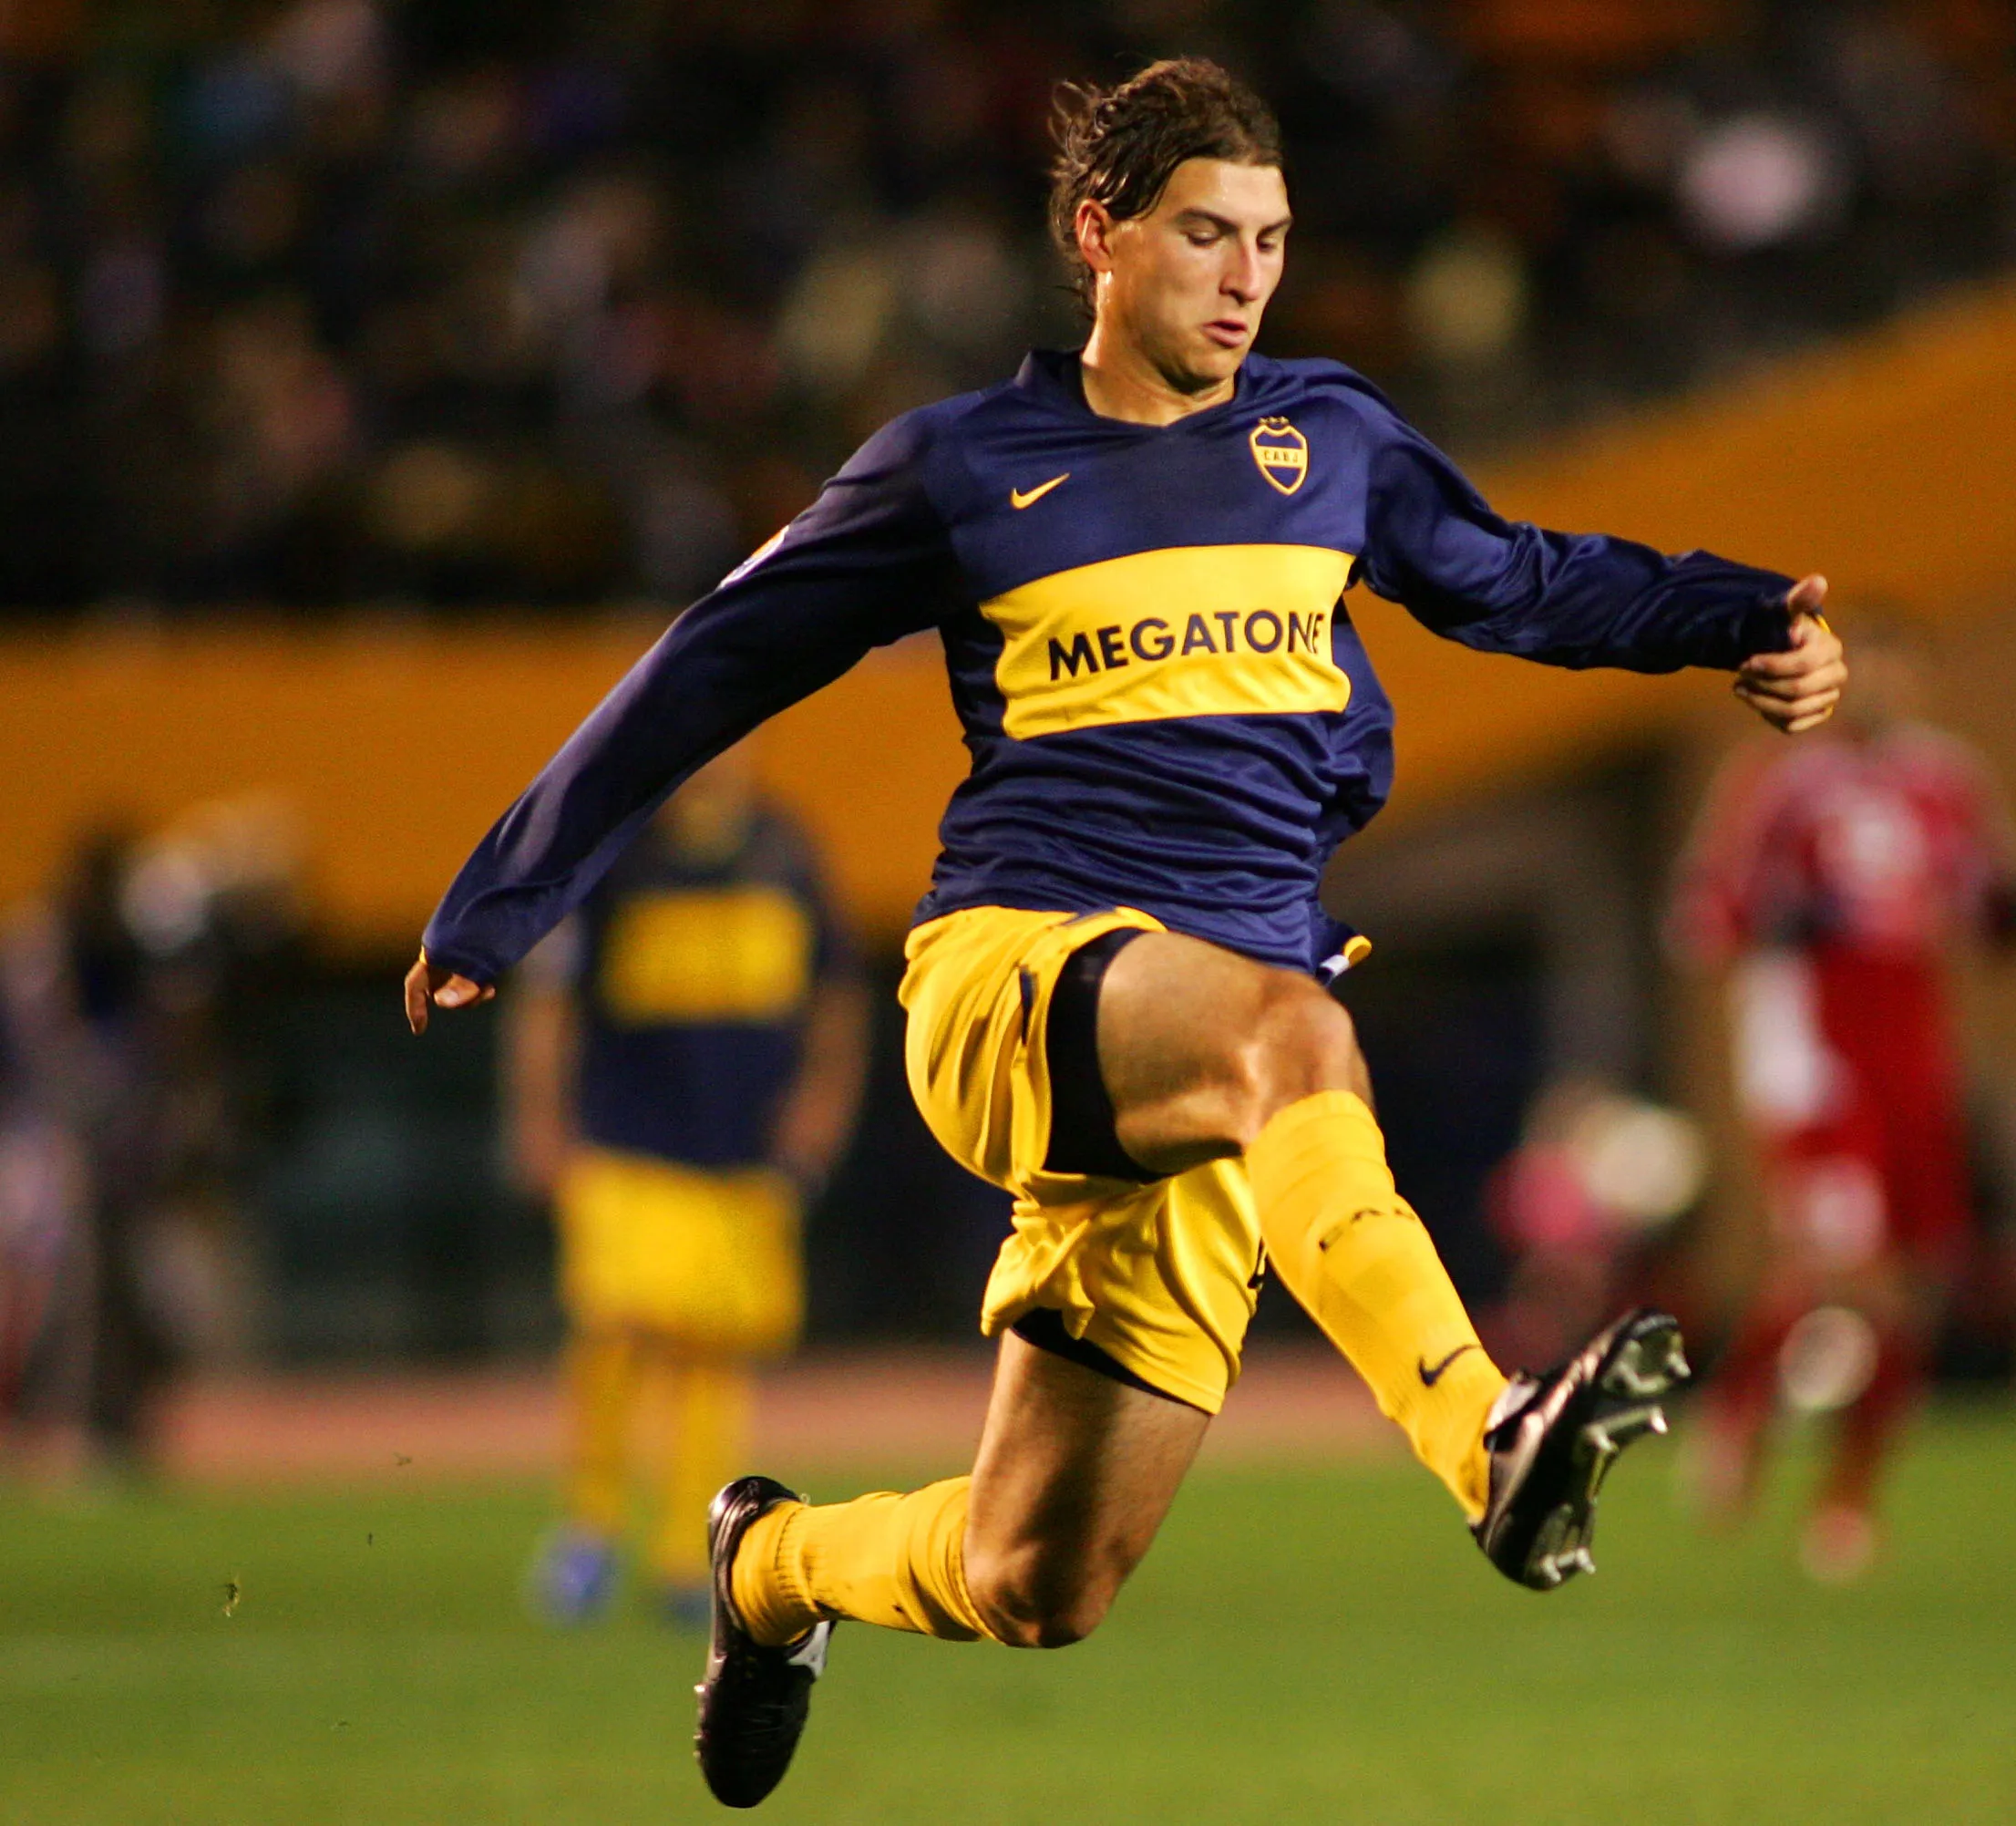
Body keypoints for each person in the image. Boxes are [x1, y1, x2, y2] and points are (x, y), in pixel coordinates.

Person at [405, 58, 1845, 1809]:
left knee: (1037, 1579)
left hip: (1207, 1075)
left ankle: (769, 1568)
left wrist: (1743, 614)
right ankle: (1490, 1434)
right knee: (1299, 1028)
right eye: (1207, 236)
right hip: (1013, 974)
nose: (1247, 279)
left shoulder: (1334, 443)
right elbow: (712, 660)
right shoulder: (959, 467)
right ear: (1102, 237)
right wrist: (506, 889)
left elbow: (1523, 578)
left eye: (1274, 242)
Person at [1670, 608, 2016, 1583]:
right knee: (1845, 1266)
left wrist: (2012, 912)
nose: (1877, 688)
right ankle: (1745, 1416)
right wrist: (1777, 918)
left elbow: (1984, 900)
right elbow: (1705, 912)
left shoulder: (1947, 781)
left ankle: (1847, 1492)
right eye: (1859, 667)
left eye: (1895, 669)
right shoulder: (1778, 781)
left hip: (1909, 1037)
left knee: (1914, 1284)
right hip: (1812, 1041)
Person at [509, 749, 869, 1623]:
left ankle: (686, 1550)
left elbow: (837, 994)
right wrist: (540, 1115)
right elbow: (550, 999)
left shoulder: (788, 854)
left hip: (741, 1155)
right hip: (629, 1144)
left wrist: (821, 1104)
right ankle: (590, 1529)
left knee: (715, 1348)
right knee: (619, 1325)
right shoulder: (616, 855)